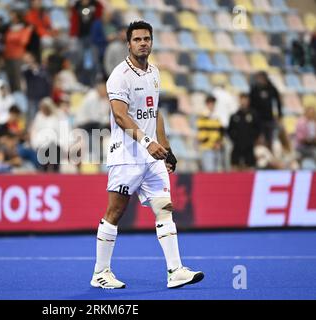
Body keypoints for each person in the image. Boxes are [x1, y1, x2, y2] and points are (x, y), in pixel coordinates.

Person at [90, 21, 203, 289]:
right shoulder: (119, 75)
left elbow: (155, 113)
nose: (143, 43)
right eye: (137, 39)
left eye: (147, 39)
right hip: (127, 155)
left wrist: (166, 148)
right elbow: (120, 115)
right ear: (128, 44)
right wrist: (147, 141)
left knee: (164, 208)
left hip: (151, 158)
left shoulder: (154, 72)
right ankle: (100, 272)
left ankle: (175, 271)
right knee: (115, 212)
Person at [249, 71, 282, 150]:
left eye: (261, 78)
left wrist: (279, 114)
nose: (260, 80)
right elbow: (251, 104)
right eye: (258, 78)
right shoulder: (254, 89)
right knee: (258, 138)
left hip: (269, 119)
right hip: (257, 119)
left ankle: (269, 153)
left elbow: (278, 102)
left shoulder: (271, 88)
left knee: (269, 139)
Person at [228, 93, 260, 170]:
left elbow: (258, 128)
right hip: (237, 145)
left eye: (245, 100)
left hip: (249, 146)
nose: (243, 102)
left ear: (248, 101)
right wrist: (234, 139)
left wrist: (253, 139)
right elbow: (230, 130)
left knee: (249, 167)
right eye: (242, 100)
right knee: (235, 166)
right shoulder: (235, 116)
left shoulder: (253, 114)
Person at [196, 95, 224, 172]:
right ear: (207, 104)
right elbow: (202, 134)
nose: (212, 105)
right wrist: (213, 143)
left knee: (218, 172)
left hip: (216, 148)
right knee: (209, 171)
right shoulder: (202, 116)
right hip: (207, 148)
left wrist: (219, 142)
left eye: (213, 103)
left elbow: (220, 132)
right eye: (210, 103)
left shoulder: (216, 117)